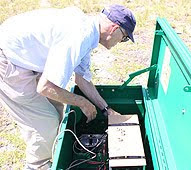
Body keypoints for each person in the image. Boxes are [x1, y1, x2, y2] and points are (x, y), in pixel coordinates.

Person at [0, 4, 136, 170]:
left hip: (26, 57)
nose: (121, 42)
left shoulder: (89, 33)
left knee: (57, 111)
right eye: (124, 37)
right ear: (114, 28)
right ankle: (37, 166)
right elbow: (45, 87)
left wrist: (106, 109)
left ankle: (53, 157)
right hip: (8, 60)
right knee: (46, 123)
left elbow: (82, 80)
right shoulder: (79, 36)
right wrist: (82, 102)